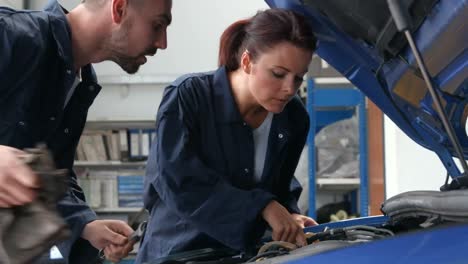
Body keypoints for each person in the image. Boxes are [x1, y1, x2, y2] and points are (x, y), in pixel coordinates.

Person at [136, 8, 317, 263]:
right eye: (278, 74)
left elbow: (280, 187)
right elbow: (179, 183)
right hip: (178, 255)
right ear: (246, 62)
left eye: (298, 78)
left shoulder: (294, 117)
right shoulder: (188, 97)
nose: (289, 88)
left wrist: (288, 217)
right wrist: (263, 207)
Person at [0, 0, 172, 262]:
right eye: (158, 25)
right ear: (120, 8)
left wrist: (84, 225)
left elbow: (54, 174)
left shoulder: (80, 84)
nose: (163, 43)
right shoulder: (13, 34)